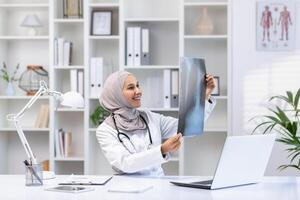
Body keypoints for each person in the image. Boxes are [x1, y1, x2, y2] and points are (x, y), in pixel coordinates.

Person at [96, 70, 216, 176]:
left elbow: (188, 126)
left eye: (138, 85)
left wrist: (205, 96)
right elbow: (125, 163)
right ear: (116, 95)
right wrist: (162, 150)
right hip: (127, 189)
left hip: (157, 184)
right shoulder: (105, 130)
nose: (138, 91)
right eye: (131, 87)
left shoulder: (149, 117)